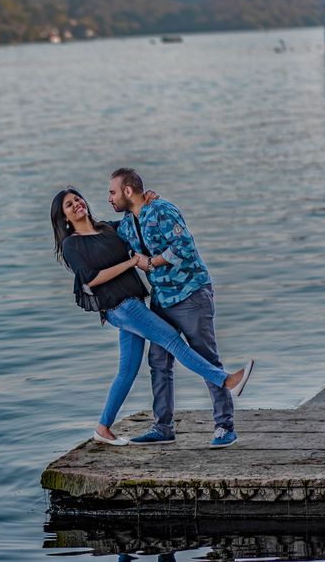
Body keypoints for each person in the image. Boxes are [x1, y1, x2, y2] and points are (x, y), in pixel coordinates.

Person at [51, 187, 253, 446]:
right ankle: (226, 380)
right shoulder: (72, 244)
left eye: (78, 199)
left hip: (134, 301)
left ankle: (103, 427)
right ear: (65, 217)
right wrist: (131, 262)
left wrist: (146, 202)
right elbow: (91, 280)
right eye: (69, 205)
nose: (77, 204)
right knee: (172, 341)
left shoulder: (108, 229)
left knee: (127, 372)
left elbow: (134, 221)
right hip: (120, 307)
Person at [108, 167, 243, 449]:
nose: (110, 198)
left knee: (206, 358)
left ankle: (224, 426)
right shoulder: (127, 223)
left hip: (191, 294)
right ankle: (163, 428)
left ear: (128, 191)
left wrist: (151, 263)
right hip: (161, 300)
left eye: (113, 192)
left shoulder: (162, 210)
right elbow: (104, 233)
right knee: (159, 363)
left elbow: (184, 246)